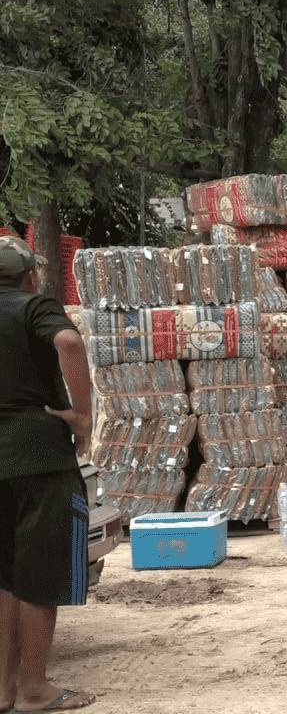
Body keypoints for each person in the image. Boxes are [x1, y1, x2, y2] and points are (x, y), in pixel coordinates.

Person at [0, 235, 97, 712]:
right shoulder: (32, 306)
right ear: (29, 274)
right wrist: (83, 416)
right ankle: (34, 688)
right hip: (37, 455)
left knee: (3, 577)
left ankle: (3, 690)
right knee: (39, 574)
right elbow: (68, 341)